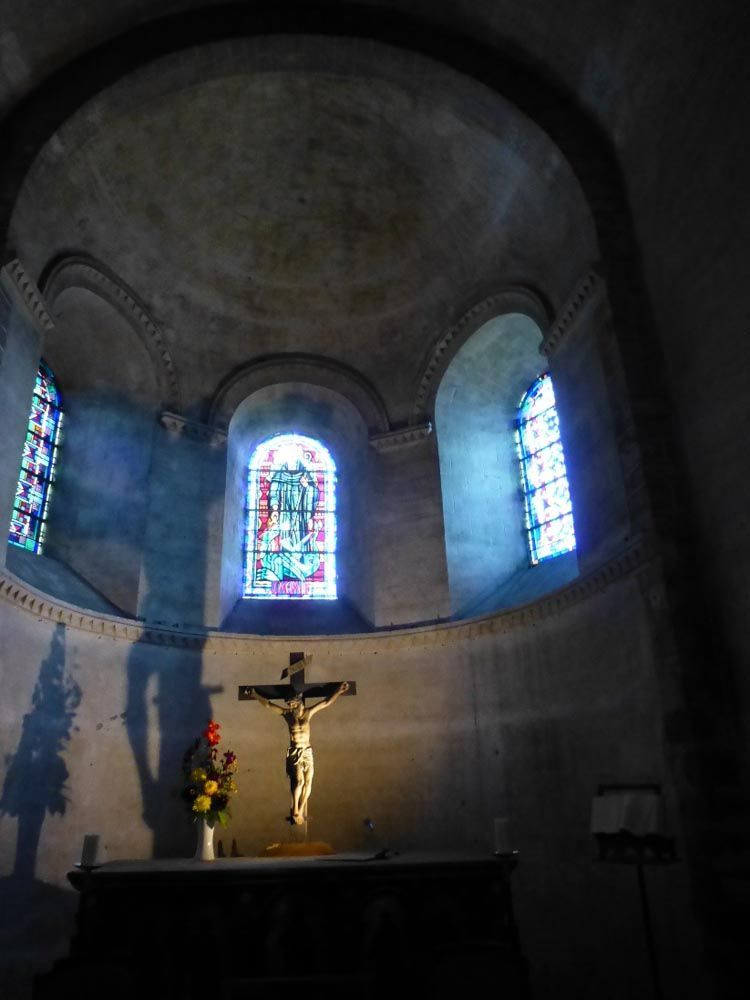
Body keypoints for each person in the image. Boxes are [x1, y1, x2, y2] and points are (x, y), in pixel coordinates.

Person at [248, 682, 349, 825]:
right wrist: (255, 695)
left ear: (298, 701)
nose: (290, 706)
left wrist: (338, 691)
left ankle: (300, 810)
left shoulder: (309, 712)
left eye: (292, 704)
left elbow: (326, 702)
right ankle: (295, 808)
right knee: (299, 781)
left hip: (307, 752)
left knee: (308, 782)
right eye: (289, 704)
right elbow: (269, 705)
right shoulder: (287, 715)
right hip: (295, 752)